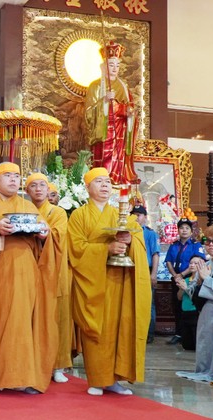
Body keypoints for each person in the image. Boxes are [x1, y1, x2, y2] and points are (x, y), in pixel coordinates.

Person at [0, 162, 56, 395]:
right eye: (8, 176)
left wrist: (44, 234)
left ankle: (23, 378)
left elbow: (45, 235)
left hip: (26, 271)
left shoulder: (27, 206)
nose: (14, 180)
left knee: (23, 322)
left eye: (17, 176)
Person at [67, 167, 151, 396]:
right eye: (99, 182)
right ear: (87, 187)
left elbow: (138, 238)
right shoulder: (78, 216)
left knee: (118, 328)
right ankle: (97, 379)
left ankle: (115, 379)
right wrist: (106, 249)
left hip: (118, 281)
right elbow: (75, 249)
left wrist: (129, 240)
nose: (104, 186)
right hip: (92, 281)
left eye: (107, 182)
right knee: (97, 330)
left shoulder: (119, 214)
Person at [25, 172, 72, 383]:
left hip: (54, 270)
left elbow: (60, 236)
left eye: (42, 185)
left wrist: (46, 235)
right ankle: (33, 362)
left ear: (48, 190)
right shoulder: (23, 209)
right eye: (33, 186)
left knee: (56, 317)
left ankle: (58, 365)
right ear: (27, 190)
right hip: (30, 269)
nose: (38, 189)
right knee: (31, 317)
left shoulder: (58, 212)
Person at [176, 224, 213, 382]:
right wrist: (193, 284)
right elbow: (194, 290)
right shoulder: (206, 264)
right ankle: (204, 370)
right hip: (205, 310)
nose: (210, 245)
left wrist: (206, 279)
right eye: (207, 241)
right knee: (205, 343)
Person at [85, 41, 138, 185]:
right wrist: (104, 101)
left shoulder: (123, 87)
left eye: (117, 65)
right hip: (103, 131)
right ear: (103, 66)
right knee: (103, 162)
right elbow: (88, 112)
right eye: (111, 65)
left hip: (120, 131)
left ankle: (118, 179)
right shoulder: (95, 86)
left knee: (118, 158)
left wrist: (129, 112)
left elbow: (130, 108)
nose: (115, 69)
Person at [164, 218, 205, 345]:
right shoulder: (174, 245)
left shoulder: (195, 245)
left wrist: (182, 274)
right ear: (178, 230)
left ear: (191, 231)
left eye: (187, 228)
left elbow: (198, 261)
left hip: (190, 278)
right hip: (176, 279)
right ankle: (178, 333)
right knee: (177, 305)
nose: (184, 230)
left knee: (190, 305)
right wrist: (175, 275)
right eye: (181, 228)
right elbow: (168, 261)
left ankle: (189, 333)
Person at [131, 205, 159, 343]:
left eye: (139, 215)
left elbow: (155, 254)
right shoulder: (129, 231)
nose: (136, 217)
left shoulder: (150, 234)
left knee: (148, 302)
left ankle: (148, 333)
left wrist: (153, 274)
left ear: (145, 217)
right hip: (131, 269)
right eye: (133, 215)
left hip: (146, 270)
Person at [174, 253, 206, 351]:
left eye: (196, 263)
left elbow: (199, 297)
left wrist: (186, 288)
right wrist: (181, 288)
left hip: (196, 312)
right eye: (191, 263)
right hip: (185, 312)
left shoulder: (202, 280)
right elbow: (179, 297)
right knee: (187, 345)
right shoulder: (186, 279)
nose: (192, 265)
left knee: (197, 344)